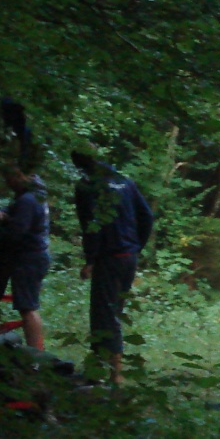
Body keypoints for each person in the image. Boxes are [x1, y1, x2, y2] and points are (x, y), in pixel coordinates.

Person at [72, 148, 154, 385]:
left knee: (104, 314)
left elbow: (91, 225)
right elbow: (147, 216)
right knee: (112, 310)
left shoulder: (87, 187)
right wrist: (137, 246)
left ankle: (116, 375)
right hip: (128, 256)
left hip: (109, 257)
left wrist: (90, 258)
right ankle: (96, 370)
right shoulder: (124, 182)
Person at [0, 165, 50, 351]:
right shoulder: (34, 194)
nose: (7, 183)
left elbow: (17, 230)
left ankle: (35, 354)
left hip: (30, 258)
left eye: (9, 178)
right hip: (34, 256)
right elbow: (13, 209)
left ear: (19, 175)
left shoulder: (28, 199)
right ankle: (35, 353)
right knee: (27, 306)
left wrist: (4, 220)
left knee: (28, 308)